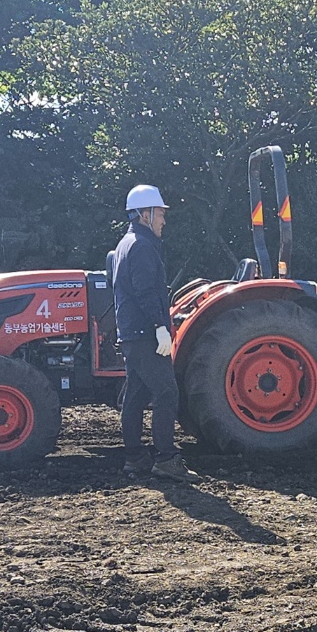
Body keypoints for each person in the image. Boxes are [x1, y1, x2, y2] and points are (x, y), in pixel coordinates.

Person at [113, 184, 197, 482]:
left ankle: (135, 457)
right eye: (160, 213)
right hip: (145, 333)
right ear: (146, 214)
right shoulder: (143, 246)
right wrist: (160, 327)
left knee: (136, 394)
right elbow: (146, 291)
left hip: (132, 334)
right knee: (166, 391)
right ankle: (166, 459)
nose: (164, 220)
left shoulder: (127, 243)